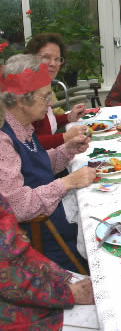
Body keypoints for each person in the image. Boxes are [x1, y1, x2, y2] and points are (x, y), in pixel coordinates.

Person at [0, 54, 96, 272]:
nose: (51, 103)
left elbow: (34, 168)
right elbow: (18, 207)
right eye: (45, 97)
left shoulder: (23, 126)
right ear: (21, 100)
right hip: (43, 237)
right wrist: (67, 182)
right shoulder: (3, 141)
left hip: (55, 219)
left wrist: (66, 151)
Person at [0, 193, 95, 329]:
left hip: (30, 284)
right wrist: (70, 293)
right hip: (16, 313)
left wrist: (59, 276)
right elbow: (7, 279)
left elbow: (17, 247)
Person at [25, 33, 88, 150]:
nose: (53, 64)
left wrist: (68, 118)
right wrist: (66, 136)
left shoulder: (42, 85)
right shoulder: (25, 93)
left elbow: (47, 125)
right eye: (46, 57)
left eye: (57, 59)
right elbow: (27, 144)